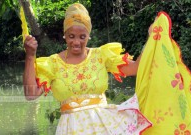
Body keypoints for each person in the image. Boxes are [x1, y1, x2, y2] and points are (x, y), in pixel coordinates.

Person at [23, 3, 152, 134]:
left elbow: (136, 68)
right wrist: (30, 55)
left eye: (82, 37)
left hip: (103, 127)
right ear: (64, 35)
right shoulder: (53, 63)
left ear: (88, 35)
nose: (76, 42)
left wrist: (151, 38)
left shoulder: (101, 55)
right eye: (71, 36)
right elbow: (30, 94)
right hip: (70, 130)